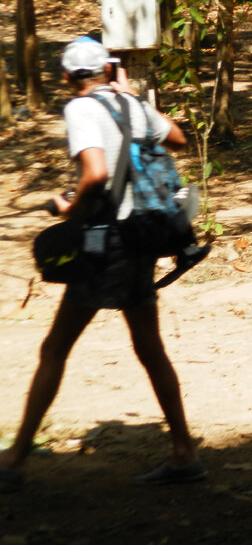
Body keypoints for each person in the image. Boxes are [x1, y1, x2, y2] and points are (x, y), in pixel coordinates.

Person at [0, 37, 204, 491]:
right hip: (145, 234)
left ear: (69, 77)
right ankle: (184, 450)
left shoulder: (80, 108)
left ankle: (14, 460)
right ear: (108, 70)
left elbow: (94, 171)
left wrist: (67, 205)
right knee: (148, 347)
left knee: (55, 347)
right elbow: (177, 136)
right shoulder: (129, 103)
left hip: (109, 240)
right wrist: (132, 100)